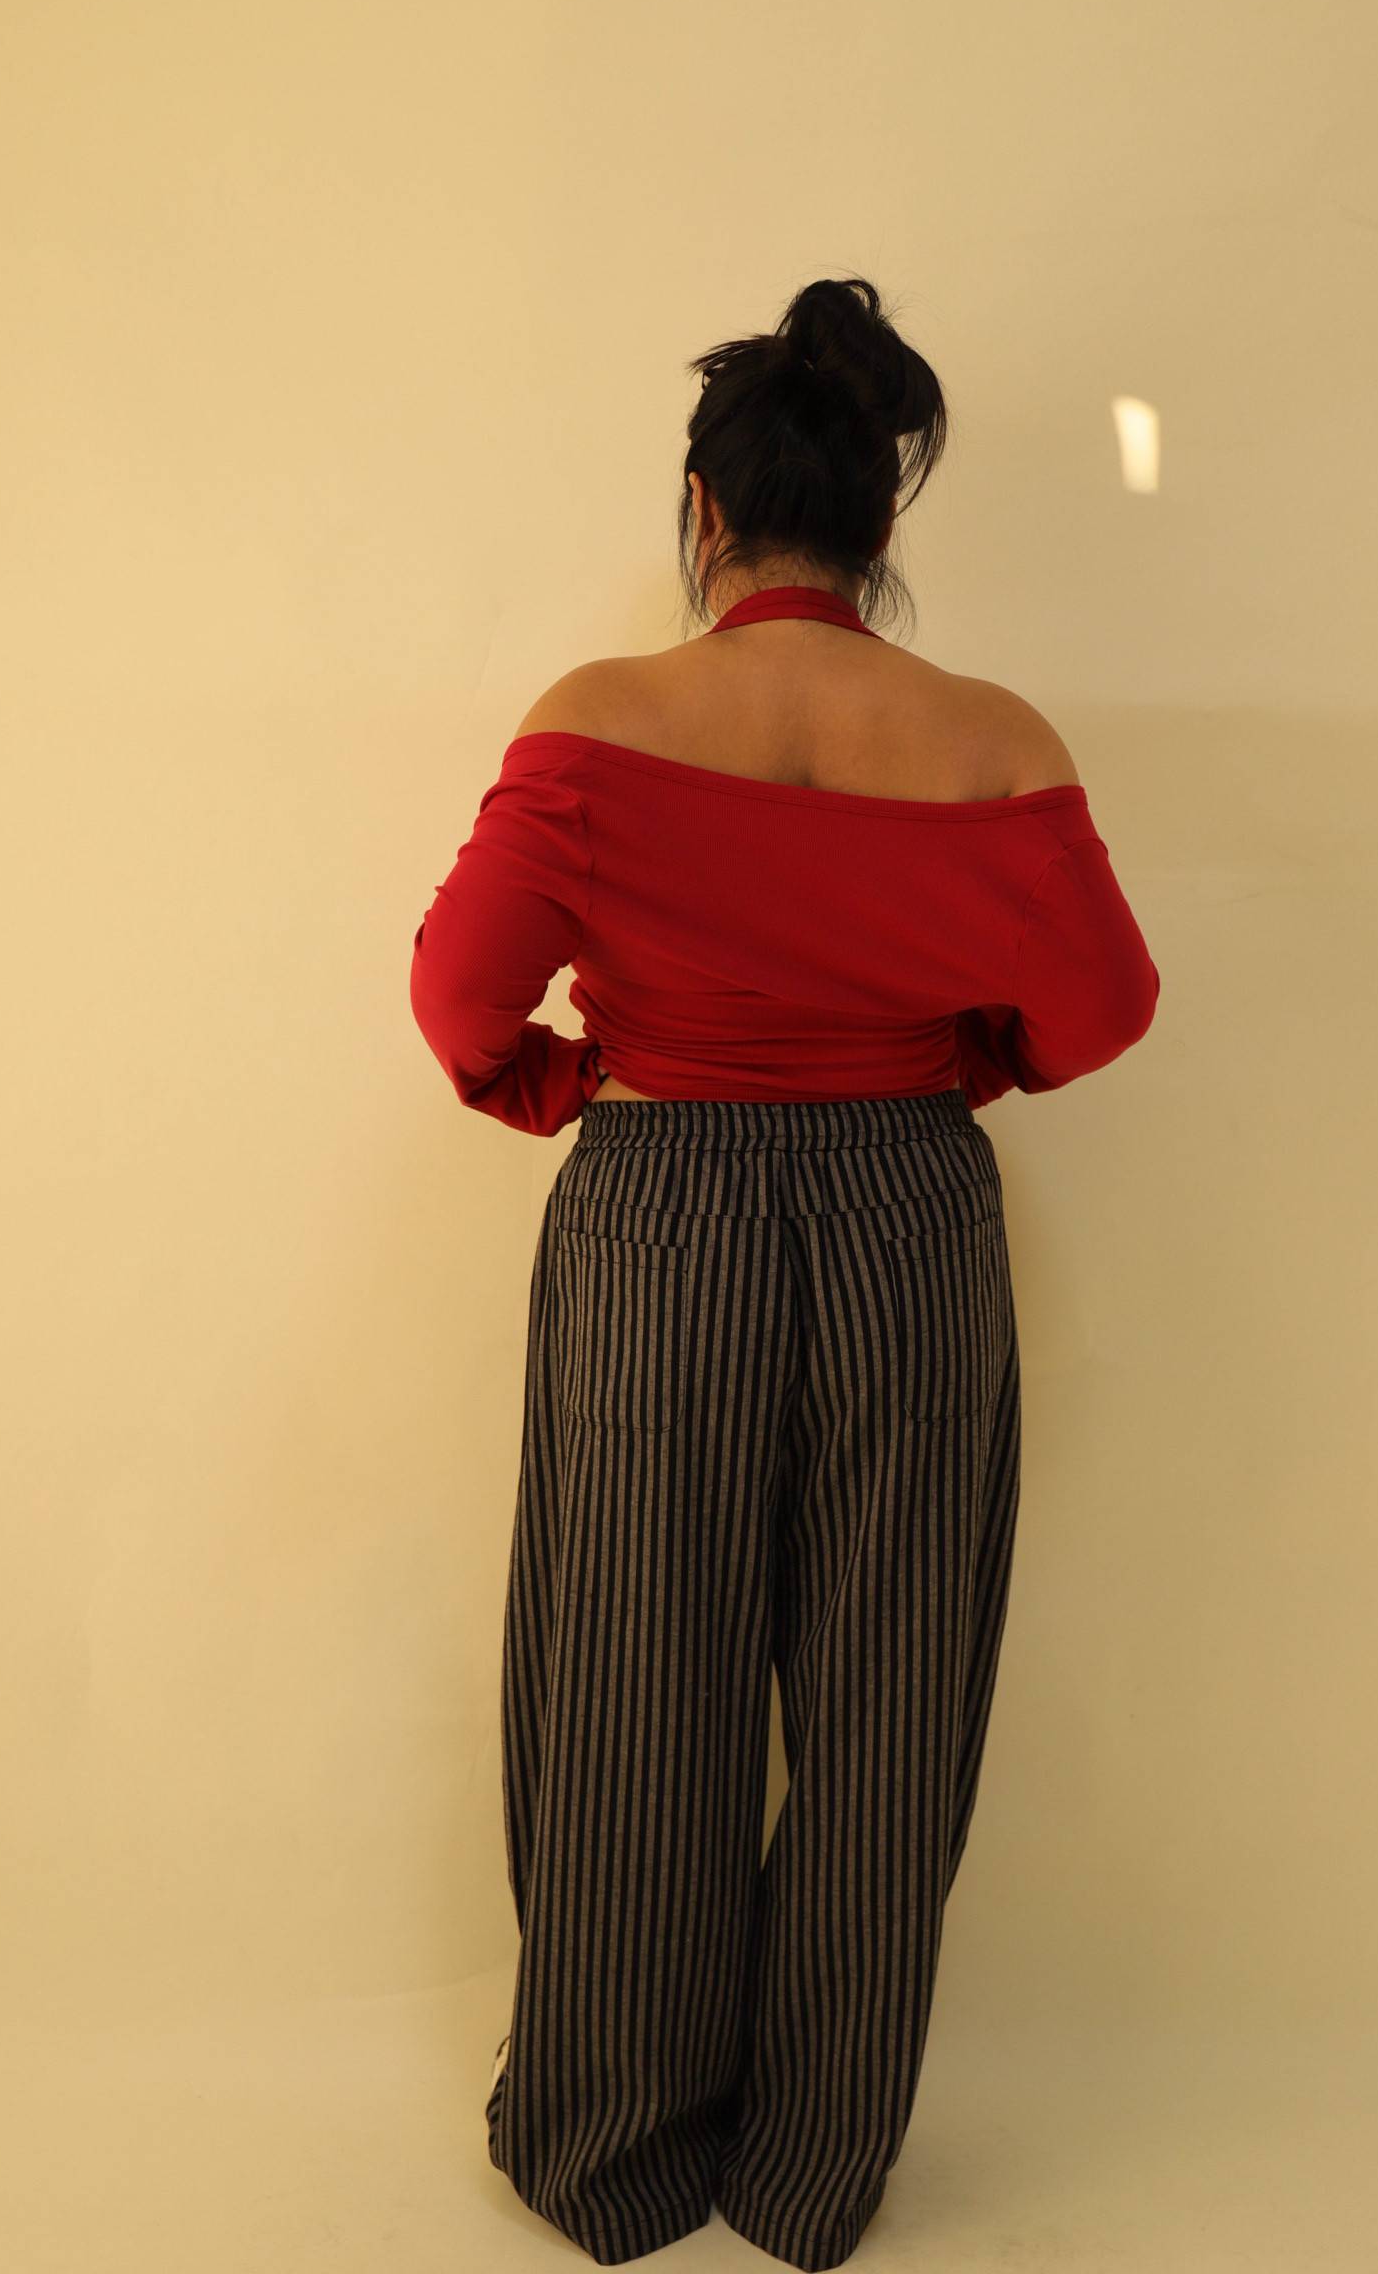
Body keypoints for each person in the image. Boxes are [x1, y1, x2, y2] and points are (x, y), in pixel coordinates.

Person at [410, 274, 1160, 2271]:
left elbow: (459, 993)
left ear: (703, 508)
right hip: (909, 1221)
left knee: (630, 1676)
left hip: (657, 1212)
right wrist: (954, 1069)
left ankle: (615, 2160)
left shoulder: (597, 723)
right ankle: (814, 2167)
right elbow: (1102, 1009)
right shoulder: (992, 740)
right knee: (885, 1688)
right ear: (878, 521)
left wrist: (563, 1082)